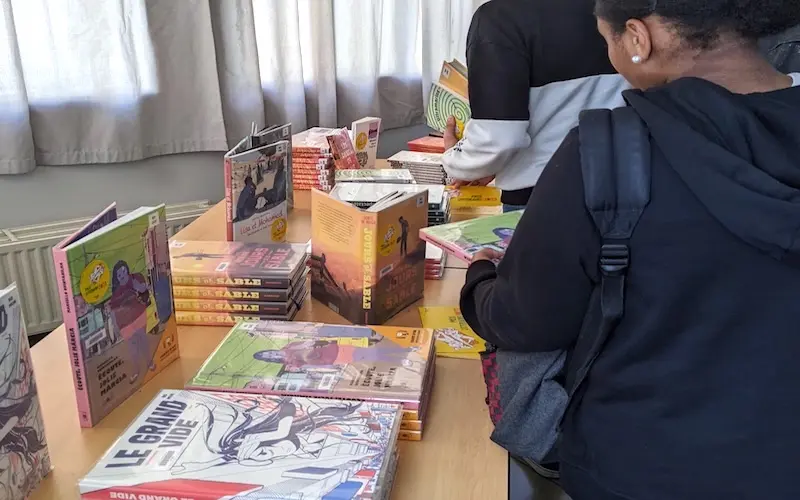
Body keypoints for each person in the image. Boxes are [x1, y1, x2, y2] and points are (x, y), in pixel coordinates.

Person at [459, 0, 800, 498]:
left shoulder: (607, 153)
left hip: (642, 463)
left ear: (639, 39)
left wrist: (479, 281)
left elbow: (526, 321)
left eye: (608, 40)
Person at [441, 0, 630, 212]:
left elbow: (497, 140)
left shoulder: (500, 18)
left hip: (541, 197)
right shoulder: (633, 9)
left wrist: (458, 160)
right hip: (633, 185)